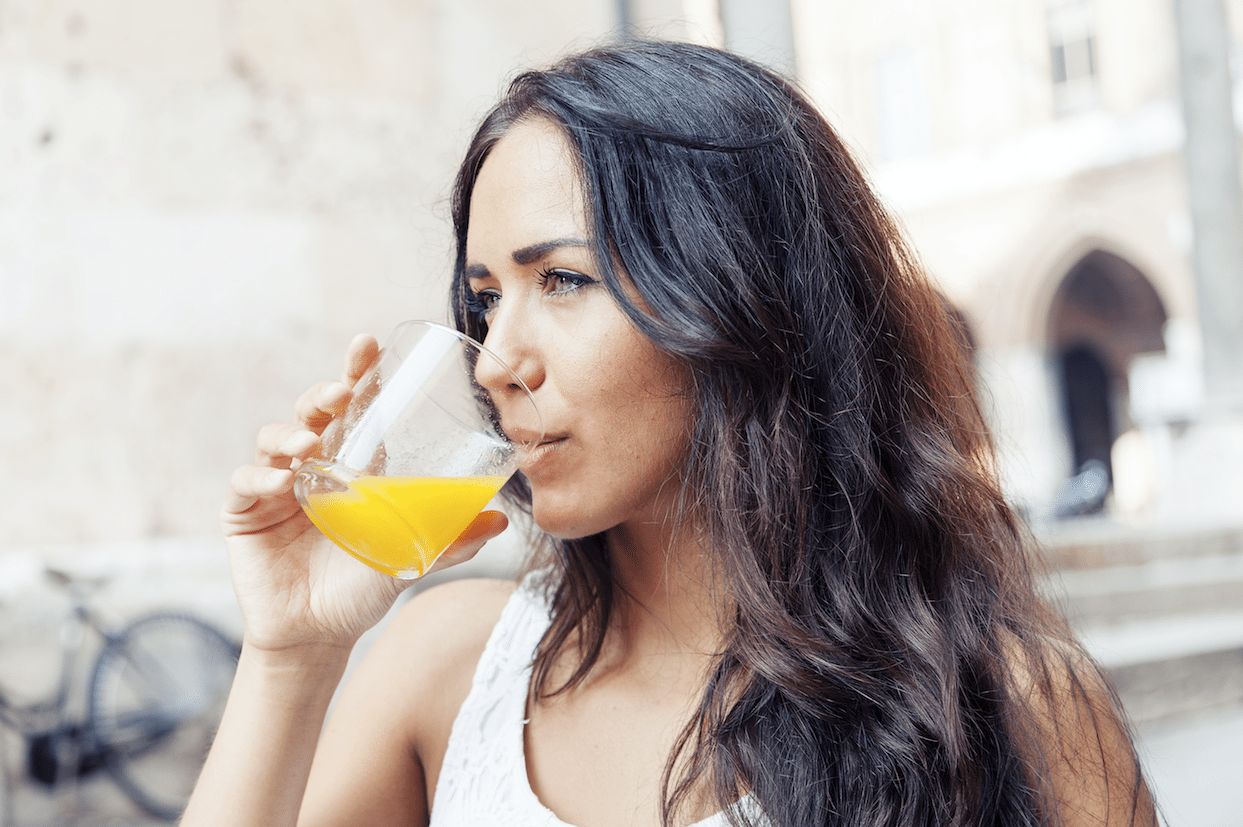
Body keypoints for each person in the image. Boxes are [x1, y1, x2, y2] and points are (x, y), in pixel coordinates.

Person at [182, 40, 1158, 827]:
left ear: (742, 293)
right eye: (484, 300)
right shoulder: (444, 665)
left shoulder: (1013, 705)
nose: (491, 360)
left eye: (560, 280)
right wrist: (288, 653)